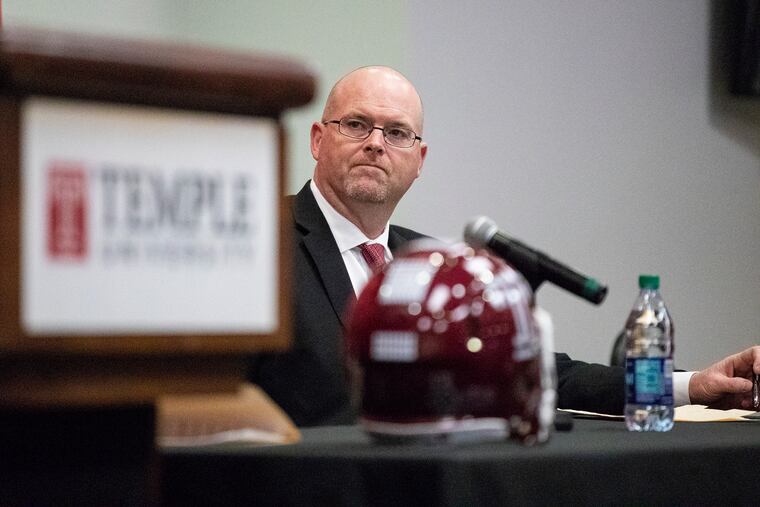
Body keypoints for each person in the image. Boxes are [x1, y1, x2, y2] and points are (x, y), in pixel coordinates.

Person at [248, 66, 760, 427]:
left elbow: (543, 373)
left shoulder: (433, 264)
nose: (376, 143)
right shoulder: (261, 241)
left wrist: (691, 386)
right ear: (318, 139)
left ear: (419, 160)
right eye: (357, 125)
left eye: (398, 132)